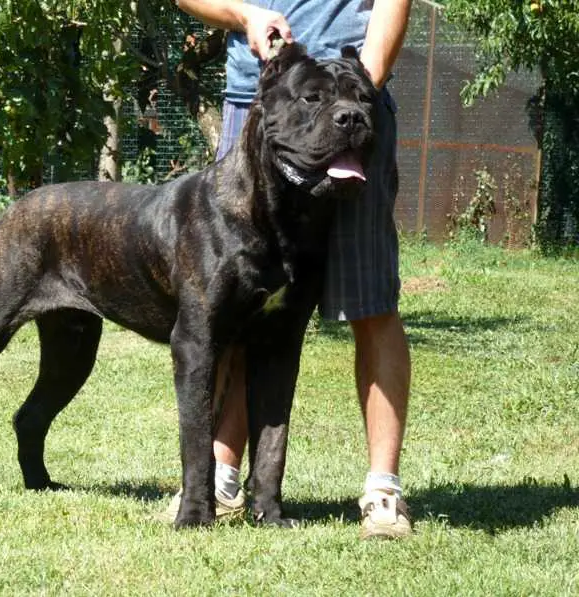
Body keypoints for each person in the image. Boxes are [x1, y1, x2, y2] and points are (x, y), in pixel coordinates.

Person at [166, 0, 413, 539]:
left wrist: (363, 85)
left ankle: (382, 491)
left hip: (357, 84)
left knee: (371, 303)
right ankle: (217, 480)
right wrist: (243, 15)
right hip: (262, 102)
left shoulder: (354, 100)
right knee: (228, 311)